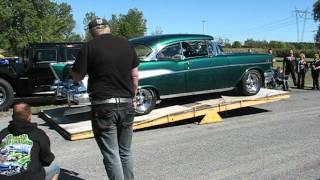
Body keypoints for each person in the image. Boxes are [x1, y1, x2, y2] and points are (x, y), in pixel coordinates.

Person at [71, 18, 139, 180]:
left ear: (91, 31)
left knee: (111, 153)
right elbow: (135, 75)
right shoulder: (126, 44)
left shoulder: (88, 47)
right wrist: (133, 97)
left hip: (103, 107)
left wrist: (71, 72)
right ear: (108, 28)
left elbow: (77, 76)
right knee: (125, 151)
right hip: (127, 104)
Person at [0, 103, 60, 180]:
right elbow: (47, 160)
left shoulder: (3, 133)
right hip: (29, 177)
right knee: (55, 168)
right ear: (29, 116)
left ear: (13, 116)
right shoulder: (39, 134)